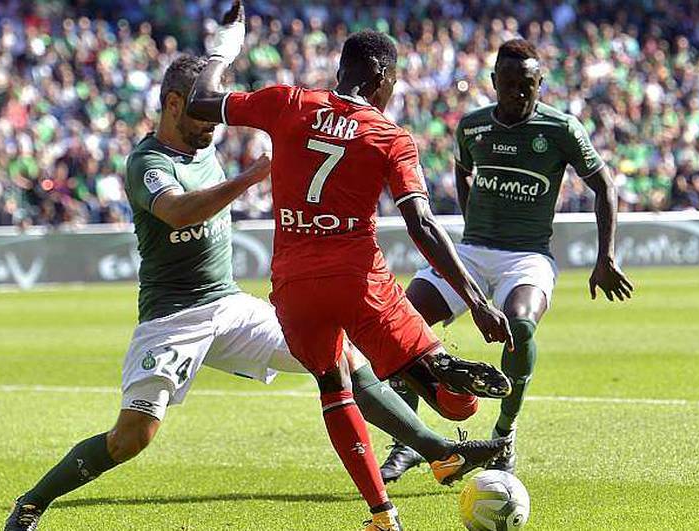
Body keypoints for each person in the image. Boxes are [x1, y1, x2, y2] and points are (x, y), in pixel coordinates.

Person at [4, 54, 511, 531]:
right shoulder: (148, 163)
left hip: (230, 305)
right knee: (131, 438)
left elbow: (220, 93)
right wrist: (252, 176)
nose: (211, 126)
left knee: (346, 362)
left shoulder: (205, 143)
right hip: (175, 317)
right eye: (202, 116)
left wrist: (226, 47)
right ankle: (33, 501)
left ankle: (440, 452)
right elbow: (178, 211)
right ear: (173, 106)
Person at [188, 3, 517, 529]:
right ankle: (431, 370)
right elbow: (423, 225)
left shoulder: (288, 102)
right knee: (461, 406)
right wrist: (476, 301)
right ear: (382, 77)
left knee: (332, 383)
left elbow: (201, 102)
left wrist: (222, 49)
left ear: (342, 70)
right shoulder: (390, 136)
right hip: (359, 278)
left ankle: (383, 514)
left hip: (293, 284)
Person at [379, 38, 635, 482]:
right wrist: (469, 220)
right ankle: (409, 441)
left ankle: (504, 435)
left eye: (528, 85)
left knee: (519, 324)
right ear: (494, 82)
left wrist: (605, 256)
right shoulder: (473, 127)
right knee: (406, 319)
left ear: (541, 83)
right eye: (510, 83)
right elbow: (462, 171)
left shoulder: (562, 129)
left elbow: (605, 186)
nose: (518, 92)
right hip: (473, 250)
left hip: (527, 256)